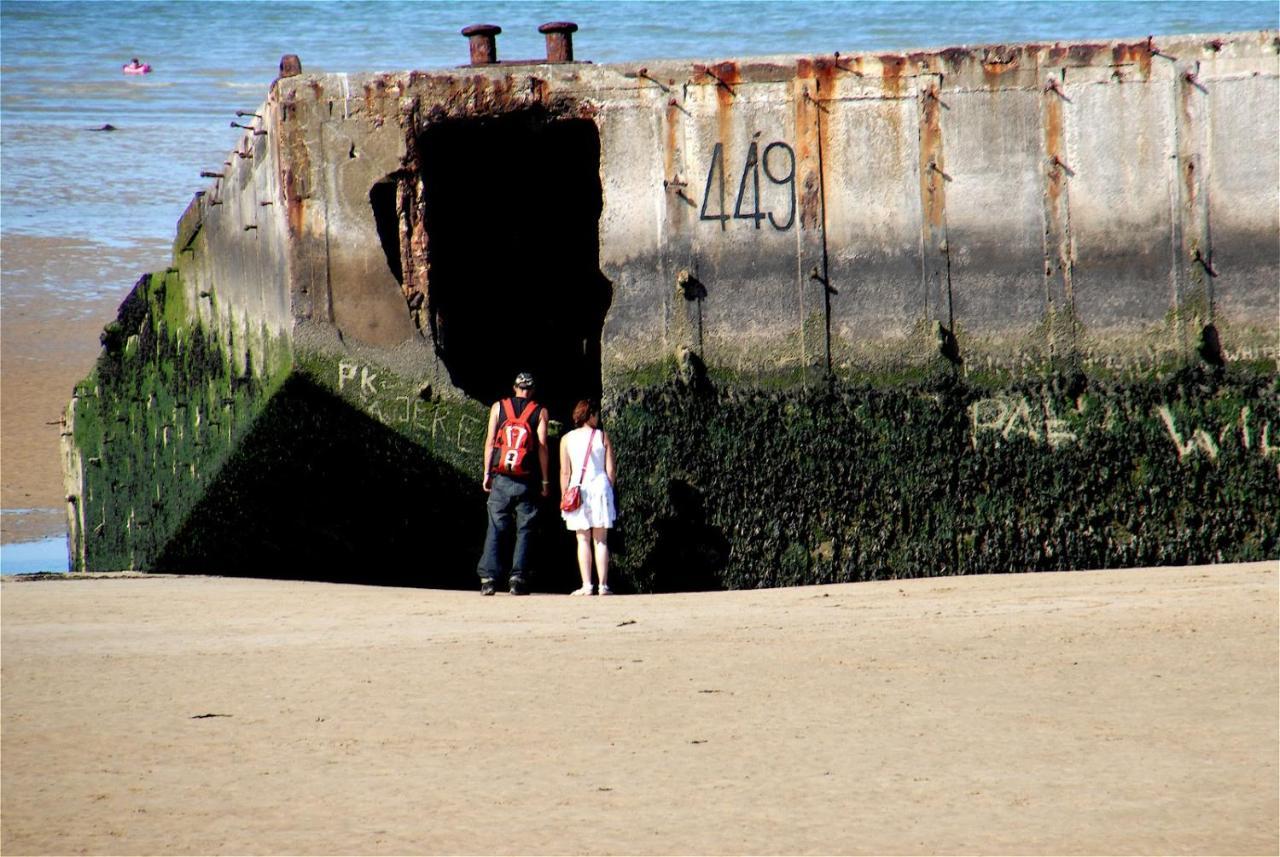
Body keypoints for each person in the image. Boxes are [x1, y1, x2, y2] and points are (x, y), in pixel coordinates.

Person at [477, 372, 549, 595]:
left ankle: (488, 578)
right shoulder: (540, 411)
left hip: (501, 477)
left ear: (514, 387)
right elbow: (542, 447)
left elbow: (490, 443)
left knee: (496, 525)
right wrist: (546, 480)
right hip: (527, 479)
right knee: (525, 528)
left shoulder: (499, 407)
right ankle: (518, 579)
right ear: (533, 390)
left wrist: (487, 473)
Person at [559, 399, 617, 595]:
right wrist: (608, 489)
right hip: (600, 487)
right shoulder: (602, 437)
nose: (598, 418)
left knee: (582, 539)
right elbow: (610, 470)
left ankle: (586, 585)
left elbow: (564, 472)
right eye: (597, 414)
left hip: (578, 488)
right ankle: (603, 585)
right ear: (590, 414)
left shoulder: (566, 439)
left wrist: (564, 494)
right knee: (601, 540)